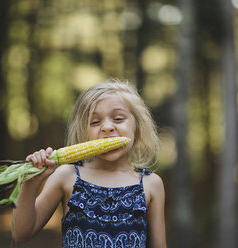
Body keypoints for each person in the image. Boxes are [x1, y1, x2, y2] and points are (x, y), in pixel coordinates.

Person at [11, 79, 167, 247]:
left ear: (137, 128)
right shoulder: (67, 176)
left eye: (118, 118)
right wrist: (30, 183)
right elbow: (21, 233)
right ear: (83, 132)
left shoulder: (151, 184)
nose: (107, 127)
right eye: (94, 122)